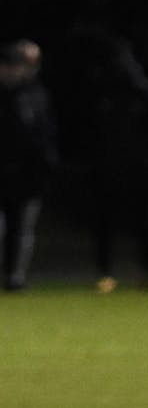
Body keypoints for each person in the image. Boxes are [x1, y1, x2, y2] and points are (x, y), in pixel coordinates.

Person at [85, 33, 148, 292]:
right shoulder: (104, 91)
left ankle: (147, 272)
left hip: (140, 169)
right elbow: (91, 129)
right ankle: (105, 274)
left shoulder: (146, 91)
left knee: (145, 222)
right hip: (108, 168)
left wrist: (146, 156)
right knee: (104, 223)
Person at [0, 39, 58, 292]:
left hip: (27, 174)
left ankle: (16, 277)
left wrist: (44, 166)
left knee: (22, 228)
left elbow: (45, 136)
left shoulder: (36, 95)